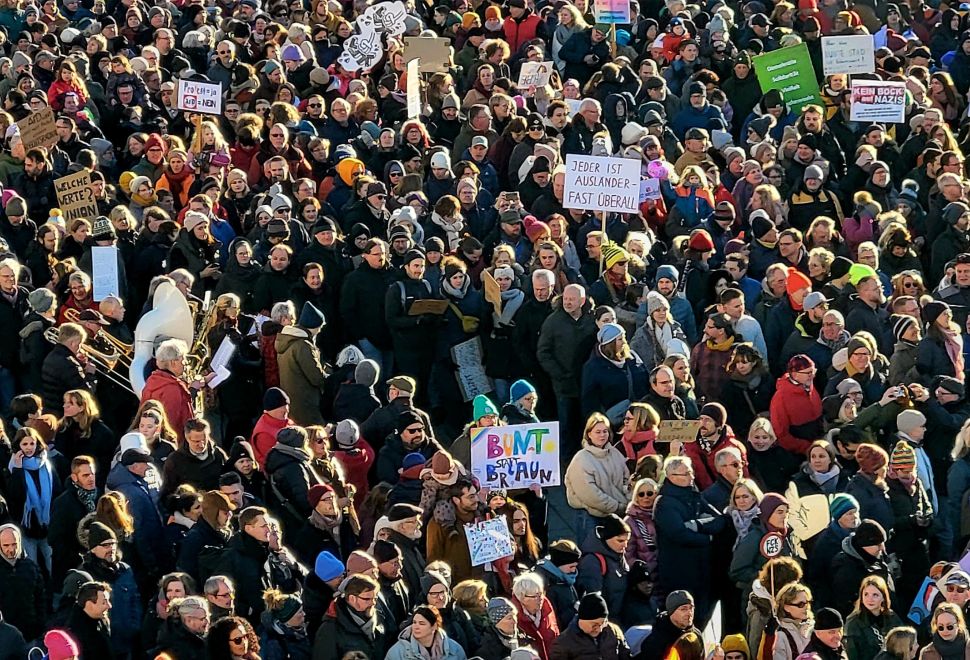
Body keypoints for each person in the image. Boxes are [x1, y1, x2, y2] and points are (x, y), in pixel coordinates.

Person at [565, 413, 630, 542]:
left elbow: (626, 480)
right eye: (598, 432)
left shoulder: (615, 454)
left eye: (605, 431)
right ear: (589, 434)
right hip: (591, 518)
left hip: (617, 516)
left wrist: (627, 499)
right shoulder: (581, 459)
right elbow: (591, 495)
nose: (602, 435)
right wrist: (617, 506)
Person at [844, 576, 903, 660]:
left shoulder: (892, 617)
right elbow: (852, 654)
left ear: (883, 597)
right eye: (866, 594)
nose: (870, 599)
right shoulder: (853, 622)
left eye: (875, 595)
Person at [386, 605, 468, 660]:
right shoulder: (397, 652)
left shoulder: (455, 649)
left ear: (434, 626)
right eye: (414, 622)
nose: (416, 627)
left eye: (422, 623)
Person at [637, 590, 701, 659]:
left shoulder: (697, 634)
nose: (689, 613)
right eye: (683, 609)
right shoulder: (656, 642)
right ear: (671, 611)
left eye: (691, 608)